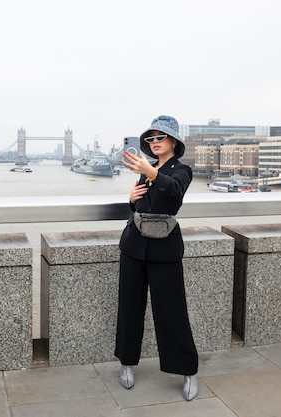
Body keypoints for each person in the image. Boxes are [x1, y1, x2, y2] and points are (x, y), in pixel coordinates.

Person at [115, 115, 199, 401]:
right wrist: (131, 198)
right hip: (134, 247)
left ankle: (188, 369)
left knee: (172, 311)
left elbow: (173, 195)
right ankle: (126, 362)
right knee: (129, 306)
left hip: (165, 249)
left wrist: (151, 175)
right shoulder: (147, 169)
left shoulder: (182, 171)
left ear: (173, 141)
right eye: (150, 139)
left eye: (159, 137)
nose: (154, 143)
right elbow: (143, 205)